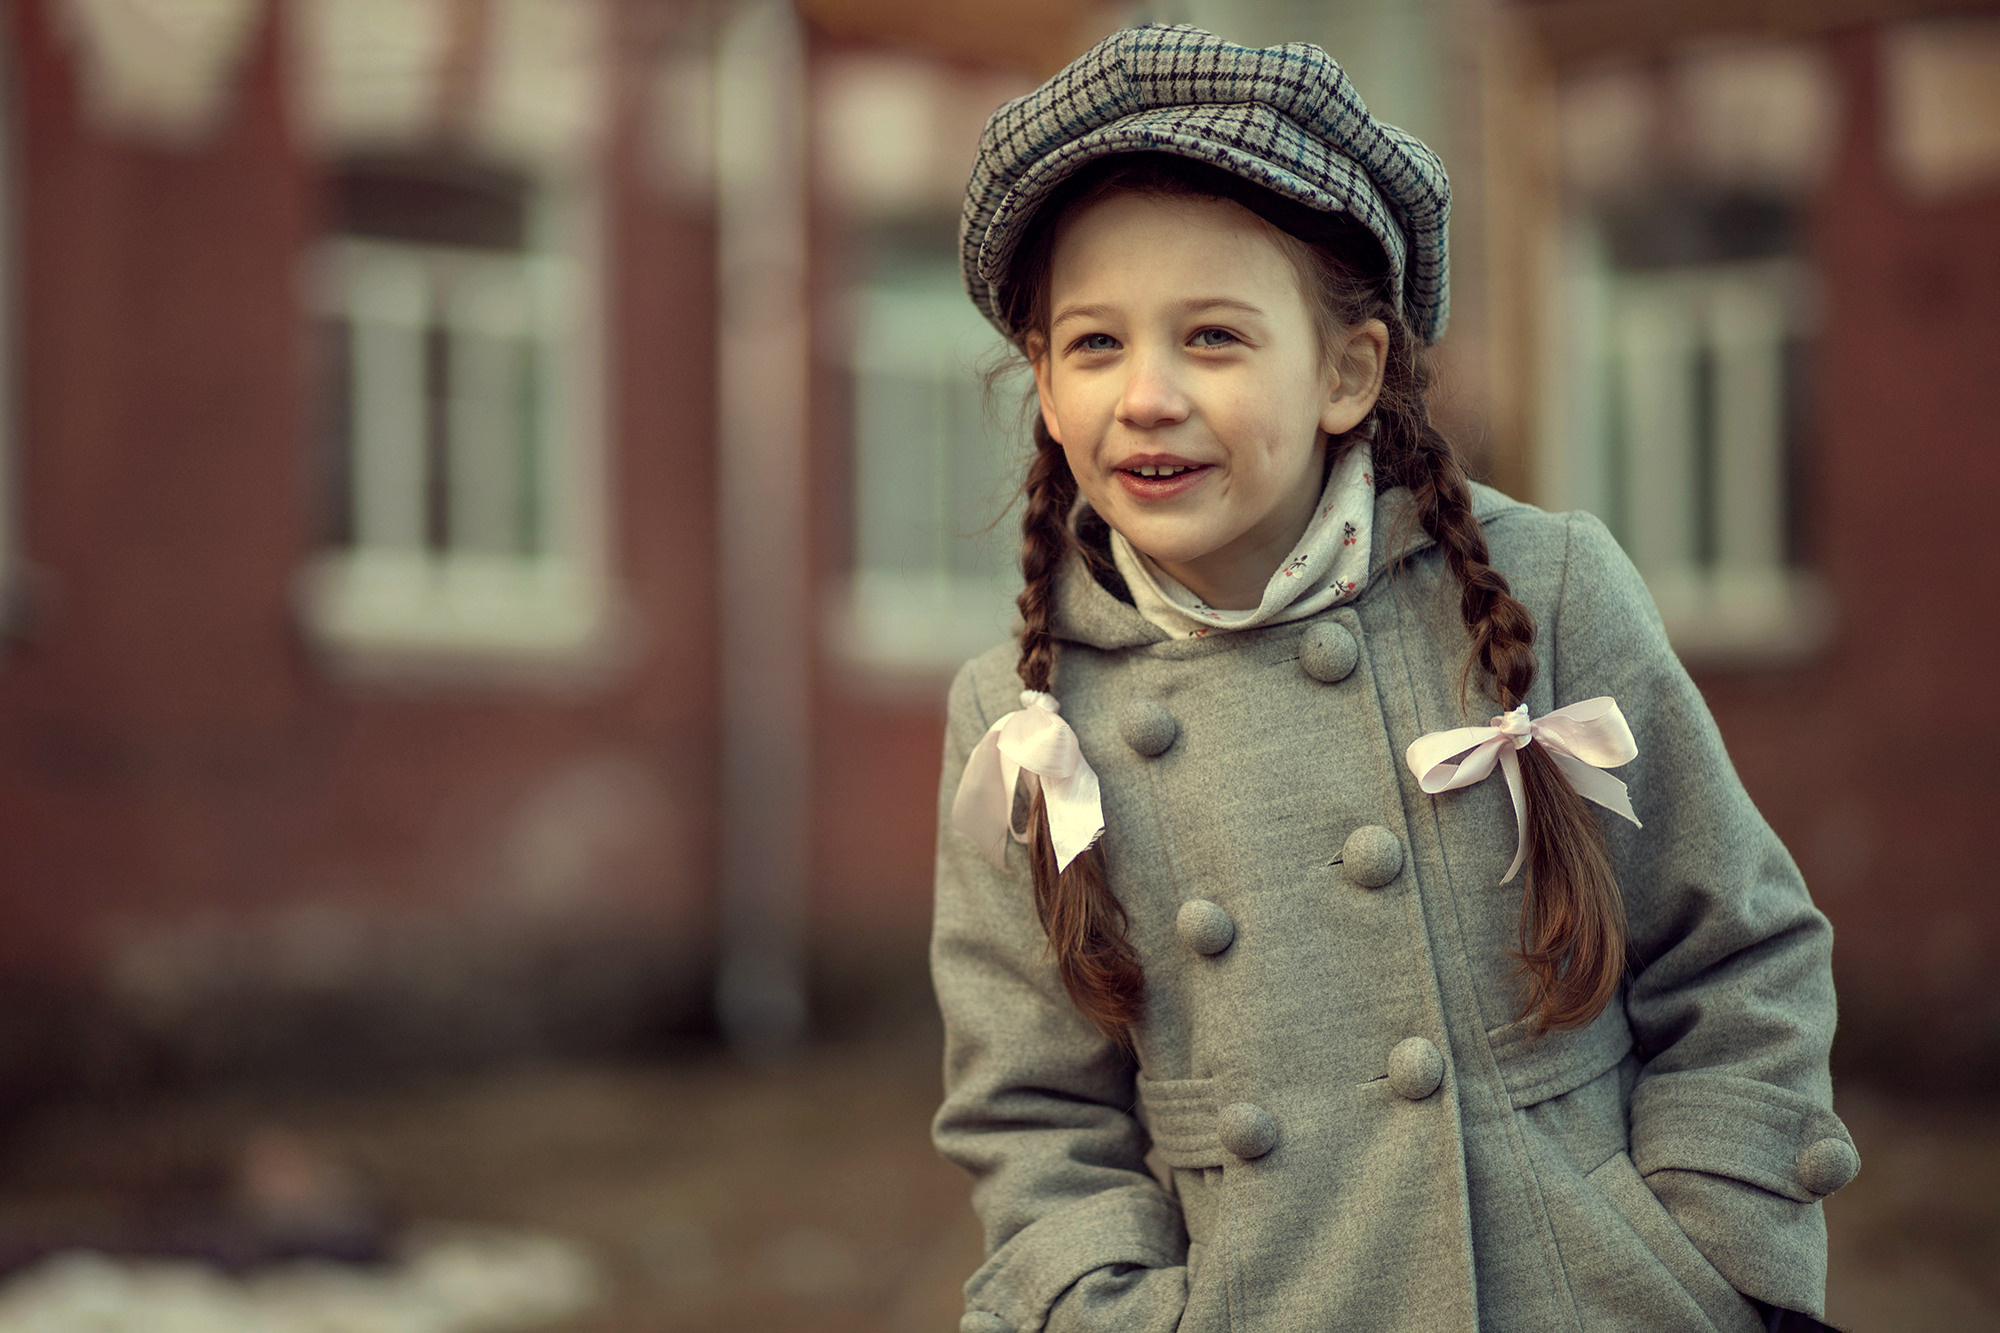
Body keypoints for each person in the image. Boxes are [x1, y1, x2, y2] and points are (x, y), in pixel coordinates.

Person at [929, 24, 1854, 1333]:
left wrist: (1713, 1262)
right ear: (1043, 381)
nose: (1144, 395)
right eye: (1094, 345)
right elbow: (1034, 1105)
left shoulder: (1549, 592)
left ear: (1347, 373)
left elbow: (1737, 957)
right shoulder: (1022, 721)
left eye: (1211, 336)